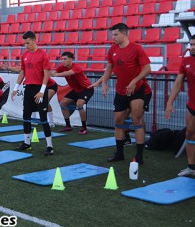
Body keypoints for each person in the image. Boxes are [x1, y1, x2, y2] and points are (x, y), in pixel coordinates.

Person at [102, 23, 151, 164]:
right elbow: (109, 67)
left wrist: (134, 81)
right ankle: (119, 153)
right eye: (112, 35)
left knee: (137, 121)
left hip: (137, 90)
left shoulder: (136, 48)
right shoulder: (112, 49)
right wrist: (104, 82)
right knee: (118, 121)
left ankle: (139, 156)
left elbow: (147, 69)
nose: (113, 37)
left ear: (124, 34)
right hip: (120, 90)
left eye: (116, 35)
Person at [11, 31, 54, 155]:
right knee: (26, 116)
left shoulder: (43, 54)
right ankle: (27, 143)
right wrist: (15, 88)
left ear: (34, 40)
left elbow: (46, 74)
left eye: (28, 43)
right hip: (28, 89)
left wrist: (41, 91)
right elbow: (22, 73)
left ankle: (50, 146)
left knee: (43, 118)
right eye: (24, 43)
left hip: (40, 89)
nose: (26, 45)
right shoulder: (24, 55)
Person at [165, 35, 195, 176]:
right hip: (192, 106)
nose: (192, 47)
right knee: (189, 133)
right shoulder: (186, 61)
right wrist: (169, 103)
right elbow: (178, 83)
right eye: (191, 44)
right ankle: (191, 167)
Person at [1, 63, 57, 128]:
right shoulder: (27, 67)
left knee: (45, 102)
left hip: (50, 86)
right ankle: (33, 119)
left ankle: (51, 122)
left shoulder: (36, 69)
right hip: (38, 86)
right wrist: (8, 67)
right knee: (32, 101)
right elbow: (19, 69)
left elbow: (46, 75)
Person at [50, 51, 94, 135]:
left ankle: (84, 127)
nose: (63, 61)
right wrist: (53, 73)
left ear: (70, 59)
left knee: (79, 104)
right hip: (76, 90)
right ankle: (68, 126)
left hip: (87, 89)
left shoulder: (76, 67)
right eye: (62, 59)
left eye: (65, 59)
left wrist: (56, 74)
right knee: (63, 103)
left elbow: (68, 73)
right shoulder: (62, 67)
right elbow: (53, 71)